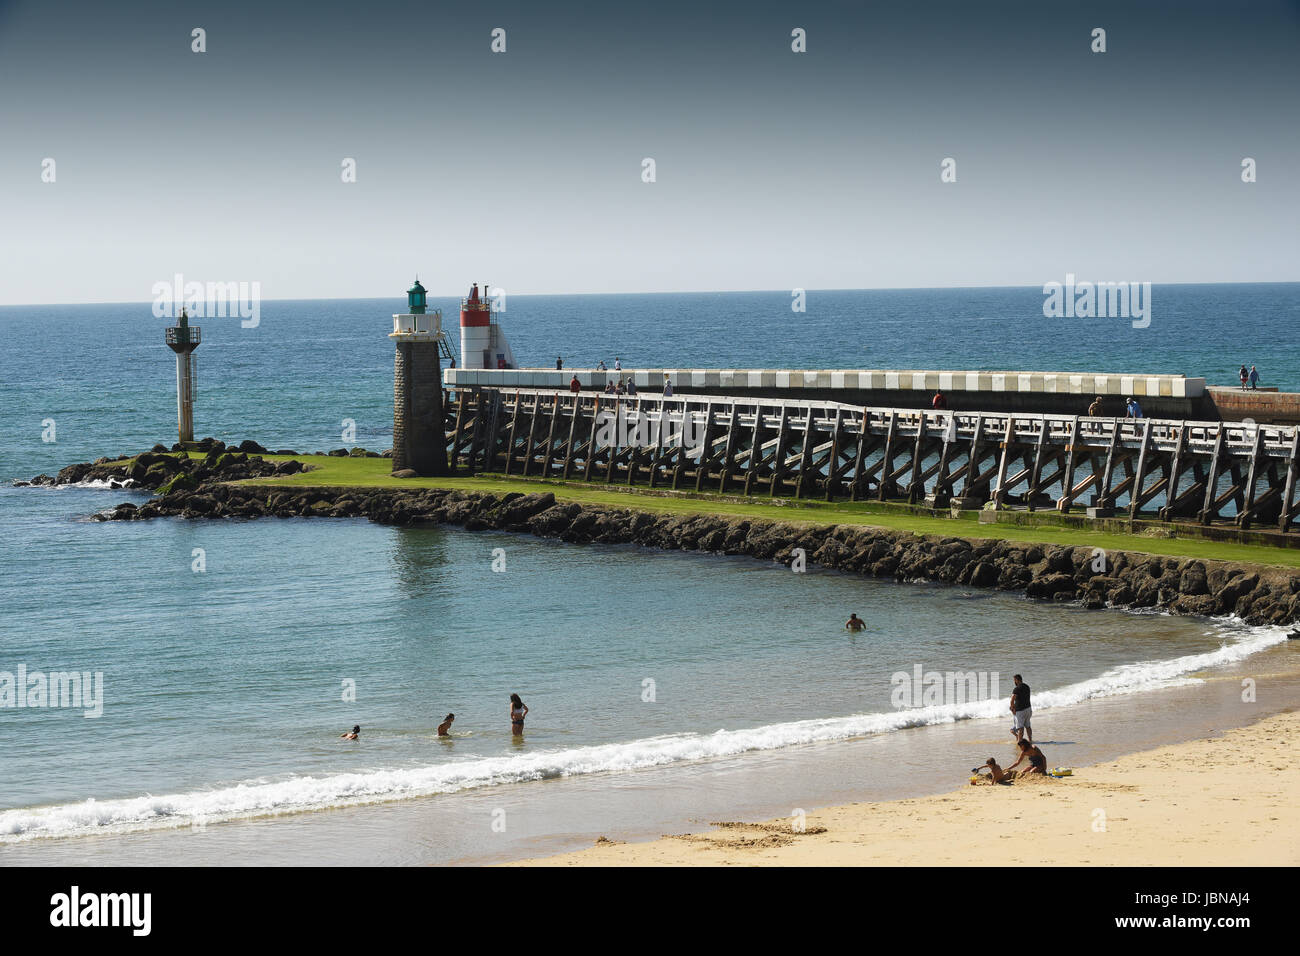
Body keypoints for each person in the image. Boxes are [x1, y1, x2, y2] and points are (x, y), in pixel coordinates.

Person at [1009, 674, 1032, 744]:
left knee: (1020, 728)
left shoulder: (1016, 689)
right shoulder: (1027, 686)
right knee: (1028, 726)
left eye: (1014, 680)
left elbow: (1012, 700)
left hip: (1020, 711)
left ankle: (1020, 742)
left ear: (1016, 680)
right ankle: (1030, 740)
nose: (1014, 682)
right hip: (1028, 709)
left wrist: (1012, 709)